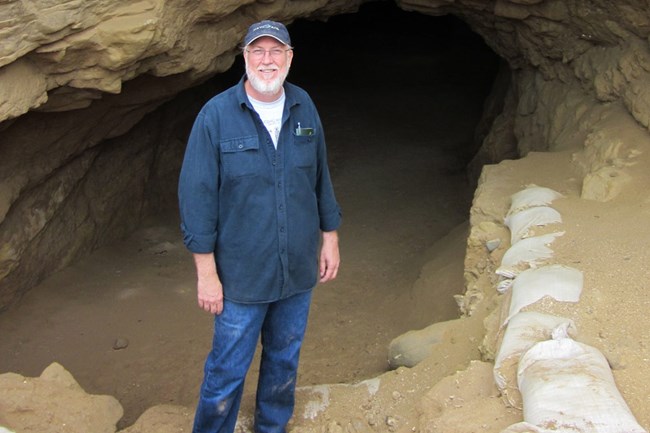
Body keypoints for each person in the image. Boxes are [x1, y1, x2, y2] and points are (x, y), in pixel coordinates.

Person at [178, 19, 342, 433]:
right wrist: (206, 275)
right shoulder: (215, 115)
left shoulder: (303, 105)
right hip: (240, 276)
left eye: (275, 52)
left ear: (289, 58)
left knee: (285, 358)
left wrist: (330, 237)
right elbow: (196, 198)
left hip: (297, 267)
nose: (266, 61)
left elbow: (320, 176)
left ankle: (272, 427)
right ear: (245, 57)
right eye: (257, 51)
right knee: (227, 369)